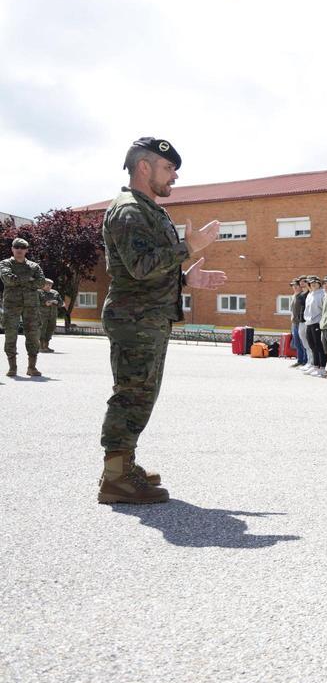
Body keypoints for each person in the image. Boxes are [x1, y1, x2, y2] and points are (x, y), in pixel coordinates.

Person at [98, 136, 226, 504]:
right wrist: (189, 247)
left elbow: (150, 267)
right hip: (134, 319)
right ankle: (114, 478)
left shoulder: (149, 209)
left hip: (148, 318)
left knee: (142, 395)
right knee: (131, 395)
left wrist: (187, 279)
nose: (174, 177)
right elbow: (139, 268)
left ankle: (124, 466)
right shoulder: (128, 211)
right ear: (144, 167)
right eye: (168, 168)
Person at [1, 237, 46, 376]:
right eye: (17, 247)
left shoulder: (34, 266)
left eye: (22, 248)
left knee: (33, 335)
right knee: (10, 335)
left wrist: (19, 280)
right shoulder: (5, 263)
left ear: (26, 250)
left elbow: (41, 282)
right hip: (11, 305)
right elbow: (8, 278)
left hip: (31, 306)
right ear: (12, 249)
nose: (19, 250)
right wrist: (30, 280)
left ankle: (32, 367)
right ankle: (12, 367)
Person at [303, 277, 327, 375]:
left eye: (315, 283)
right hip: (309, 322)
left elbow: (323, 309)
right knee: (312, 344)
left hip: (317, 322)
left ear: (319, 283)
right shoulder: (310, 294)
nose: (313, 284)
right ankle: (315, 365)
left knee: (318, 345)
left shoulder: (322, 293)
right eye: (311, 283)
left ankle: (322, 366)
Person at [288, 279, 308, 368]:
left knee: (303, 342)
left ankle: (305, 360)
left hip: (301, 322)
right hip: (294, 323)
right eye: (293, 286)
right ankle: (299, 360)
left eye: (296, 285)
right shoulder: (294, 296)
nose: (295, 287)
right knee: (297, 343)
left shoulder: (302, 296)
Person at [39, 278, 62, 352]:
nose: (49, 286)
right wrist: (44, 303)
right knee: (42, 330)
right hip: (42, 315)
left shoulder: (55, 293)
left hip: (53, 315)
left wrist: (57, 302)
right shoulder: (39, 292)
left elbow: (61, 303)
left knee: (50, 330)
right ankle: (40, 346)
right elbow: (34, 302)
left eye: (50, 284)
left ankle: (46, 346)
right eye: (47, 284)